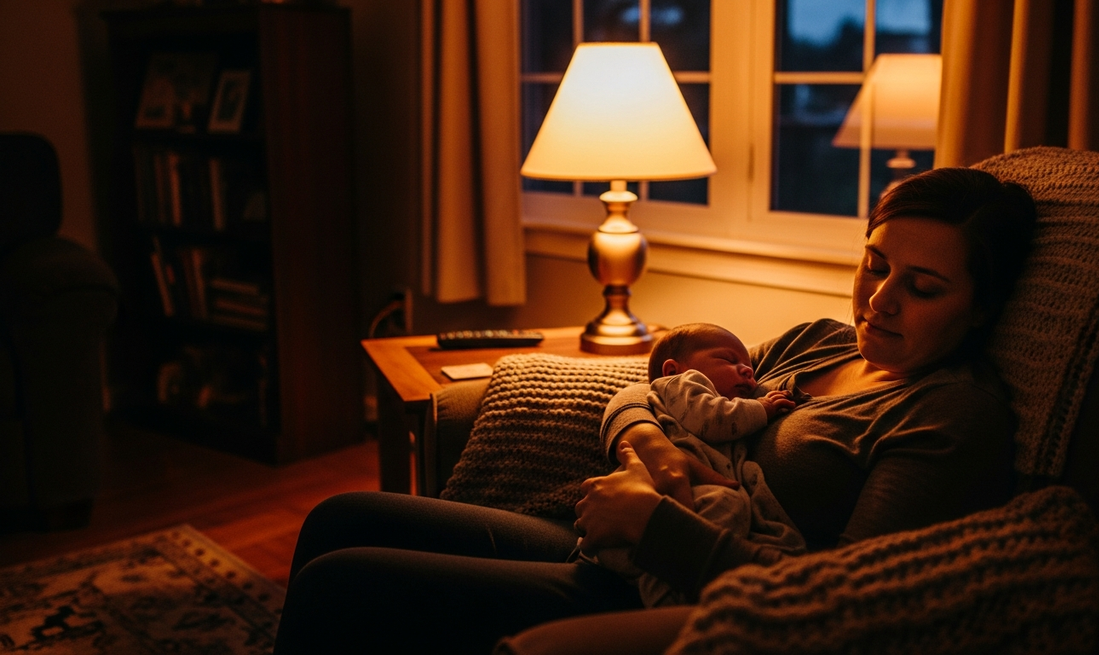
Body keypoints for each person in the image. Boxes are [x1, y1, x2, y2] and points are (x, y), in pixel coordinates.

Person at [272, 167, 1038, 654]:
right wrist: (651, 445)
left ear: (981, 310)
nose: (880, 299)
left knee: (341, 584)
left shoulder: (948, 417)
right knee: (338, 517)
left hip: (672, 593)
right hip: (617, 539)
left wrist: (655, 525)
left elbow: (842, 611)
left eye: (924, 287)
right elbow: (655, 388)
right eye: (874, 265)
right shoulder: (820, 340)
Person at [589, 322, 806, 608]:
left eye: (750, 369)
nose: (748, 372)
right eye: (730, 361)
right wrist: (762, 407)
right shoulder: (683, 386)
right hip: (651, 502)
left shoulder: (725, 391)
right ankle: (663, 601)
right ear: (672, 371)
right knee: (727, 503)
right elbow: (712, 419)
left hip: (669, 526)